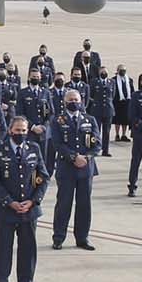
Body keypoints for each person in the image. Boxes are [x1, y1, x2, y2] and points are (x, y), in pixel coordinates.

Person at [0, 115, 48, 282]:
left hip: (29, 210)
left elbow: (42, 177)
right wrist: (9, 201)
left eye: (23, 130)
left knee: (28, 249)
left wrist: (34, 200)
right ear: (10, 131)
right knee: (4, 248)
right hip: (7, 209)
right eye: (17, 130)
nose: (20, 133)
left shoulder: (34, 148)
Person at [47, 89, 99, 251]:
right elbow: (57, 144)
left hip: (86, 169)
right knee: (64, 204)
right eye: (70, 100)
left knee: (84, 205)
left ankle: (82, 238)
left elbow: (97, 144)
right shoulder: (57, 121)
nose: (73, 102)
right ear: (64, 101)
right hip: (67, 168)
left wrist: (86, 157)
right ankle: (58, 237)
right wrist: (73, 157)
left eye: (76, 99)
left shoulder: (90, 120)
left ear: (81, 101)